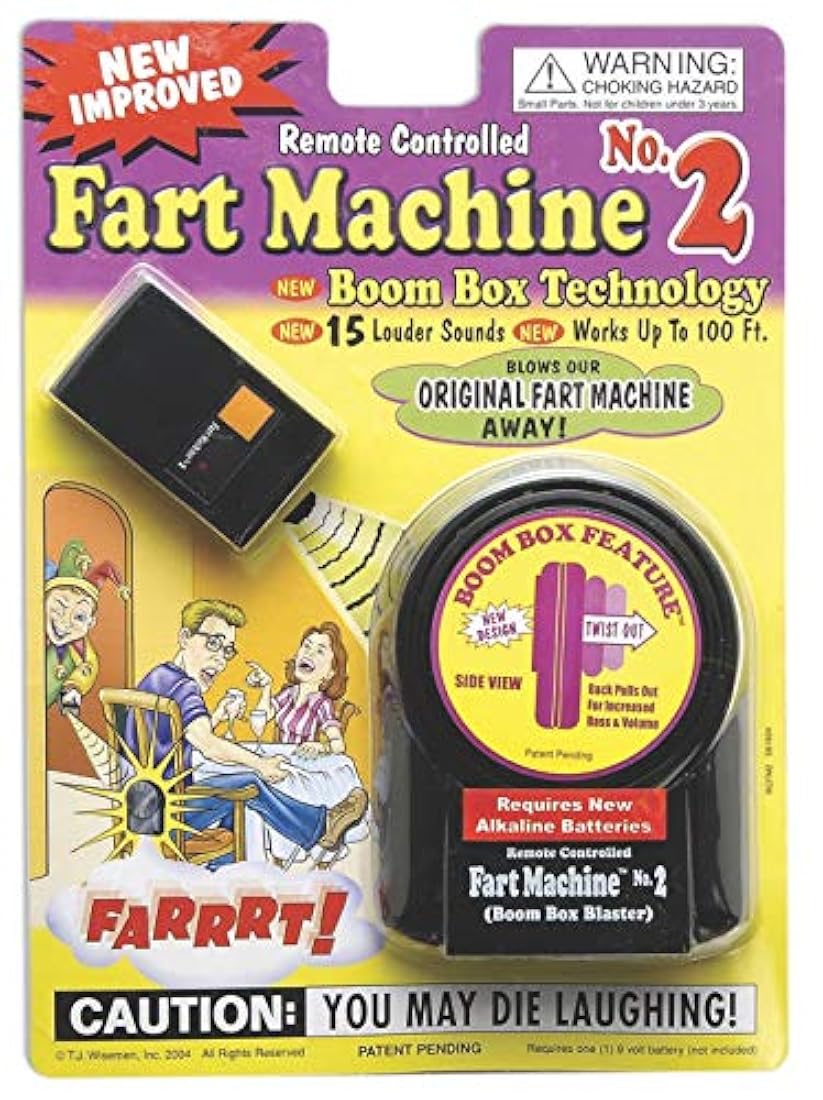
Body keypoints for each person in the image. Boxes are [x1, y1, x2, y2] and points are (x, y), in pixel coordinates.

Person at [123, 598, 367, 863]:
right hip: (167, 814)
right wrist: (260, 764)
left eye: (227, 650)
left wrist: (218, 715)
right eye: (213, 643)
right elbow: (209, 745)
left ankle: (221, 869)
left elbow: (179, 733)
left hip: (139, 811)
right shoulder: (185, 688)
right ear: (184, 638)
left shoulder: (159, 676)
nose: (220, 659)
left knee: (233, 796)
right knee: (249, 782)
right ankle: (321, 827)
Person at [45, 538, 130, 714]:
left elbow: (89, 667)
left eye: (79, 617)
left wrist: (73, 689)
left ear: (91, 623)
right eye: (59, 607)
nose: (65, 623)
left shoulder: (80, 651)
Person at [247, 622, 350, 759]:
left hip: (303, 763)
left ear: (331, 672)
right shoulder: (289, 694)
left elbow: (339, 744)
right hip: (280, 761)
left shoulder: (321, 704)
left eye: (320, 651)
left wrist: (322, 747)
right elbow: (264, 716)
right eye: (306, 646)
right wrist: (266, 687)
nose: (309, 653)